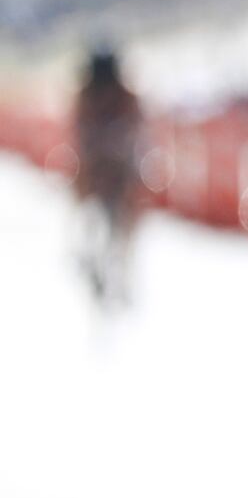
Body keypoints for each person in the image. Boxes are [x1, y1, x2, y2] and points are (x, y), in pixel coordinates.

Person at [72, 40, 144, 303]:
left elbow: (138, 127)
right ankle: (89, 253)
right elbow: (78, 129)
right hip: (94, 166)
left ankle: (123, 269)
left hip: (120, 167)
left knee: (130, 211)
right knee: (85, 206)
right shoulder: (85, 94)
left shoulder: (126, 95)